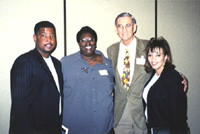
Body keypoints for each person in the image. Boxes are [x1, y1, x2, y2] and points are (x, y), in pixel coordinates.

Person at [107, 12, 188, 134]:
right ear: (116, 29)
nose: (124, 29)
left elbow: (162, 66)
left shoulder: (147, 47)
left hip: (142, 114)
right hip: (121, 114)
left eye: (128, 25)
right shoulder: (111, 50)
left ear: (134, 27)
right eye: (120, 26)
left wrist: (180, 78)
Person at [9, 21, 63, 134]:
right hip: (34, 130)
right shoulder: (25, 62)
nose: (49, 40)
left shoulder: (57, 63)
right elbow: (21, 107)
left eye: (52, 36)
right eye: (44, 35)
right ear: (35, 38)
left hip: (53, 127)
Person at [61, 26, 115, 134]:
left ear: (95, 41)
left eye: (91, 39)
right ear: (78, 43)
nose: (88, 43)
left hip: (103, 127)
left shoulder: (109, 64)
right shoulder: (65, 63)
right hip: (75, 127)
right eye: (83, 40)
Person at [143, 36, 189, 134]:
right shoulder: (153, 74)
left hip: (166, 130)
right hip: (152, 128)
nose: (153, 59)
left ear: (166, 57)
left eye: (158, 55)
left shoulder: (173, 77)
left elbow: (178, 115)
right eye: (150, 55)